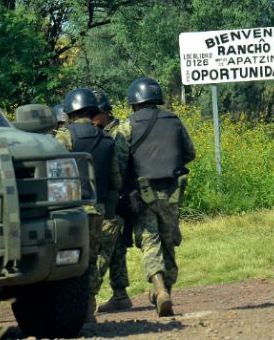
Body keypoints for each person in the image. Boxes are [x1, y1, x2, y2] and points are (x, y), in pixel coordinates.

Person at [116, 78, 196, 317]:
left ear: (134, 103)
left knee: (150, 240)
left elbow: (119, 164)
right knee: (169, 240)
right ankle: (167, 291)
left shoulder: (127, 126)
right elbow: (189, 153)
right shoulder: (175, 121)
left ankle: (159, 289)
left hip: (142, 194)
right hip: (172, 191)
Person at [54, 88, 122, 324]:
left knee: (68, 260)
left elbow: (54, 172)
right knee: (91, 260)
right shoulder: (107, 138)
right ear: (93, 111)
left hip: (70, 209)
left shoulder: (64, 136)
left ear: (70, 111)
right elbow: (116, 180)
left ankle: (70, 309)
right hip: (98, 210)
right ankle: (88, 308)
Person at [92, 92, 134, 313]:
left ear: (104, 113)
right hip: (110, 196)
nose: (90, 118)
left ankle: (107, 294)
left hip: (118, 196)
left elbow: (119, 166)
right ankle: (120, 294)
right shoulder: (101, 133)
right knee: (114, 247)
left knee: (110, 246)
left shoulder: (117, 133)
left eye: (94, 113)